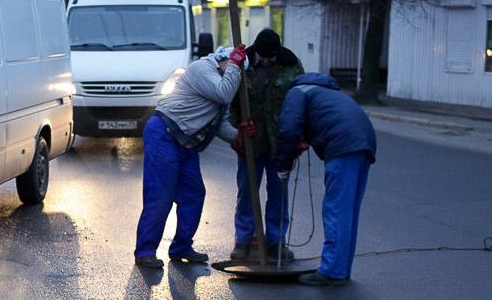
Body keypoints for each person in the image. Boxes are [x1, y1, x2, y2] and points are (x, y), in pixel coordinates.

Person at [134, 45, 247, 269]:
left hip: (185, 141)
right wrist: (236, 65)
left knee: (194, 194)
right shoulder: (202, 68)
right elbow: (224, 92)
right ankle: (145, 251)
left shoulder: (223, 79)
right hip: (164, 133)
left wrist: (239, 135)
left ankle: (181, 247)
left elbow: (220, 124)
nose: (237, 76)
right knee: (160, 196)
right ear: (224, 60)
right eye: (235, 69)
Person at [275, 73, 377, 285]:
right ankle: (341, 269)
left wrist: (283, 164)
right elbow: (320, 121)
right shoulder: (327, 91)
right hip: (364, 142)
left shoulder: (296, 92)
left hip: (343, 144)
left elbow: (289, 128)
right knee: (348, 210)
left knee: (336, 209)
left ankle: (332, 271)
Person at [228, 28, 304, 261]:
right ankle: (243, 240)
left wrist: (300, 135)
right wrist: (236, 131)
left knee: (279, 194)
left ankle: (276, 242)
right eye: (264, 57)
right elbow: (230, 101)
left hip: (280, 142)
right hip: (251, 142)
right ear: (257, 52)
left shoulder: (291, 65)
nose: (268, 61)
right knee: (247, 191)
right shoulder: (243, 64)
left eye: (272, 57)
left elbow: (301, 100)